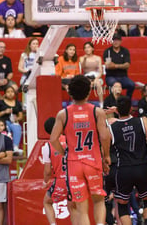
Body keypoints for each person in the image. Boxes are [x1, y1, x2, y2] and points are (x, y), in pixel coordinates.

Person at [50, 75, 111, 225]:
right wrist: (107, 156)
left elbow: (53, 139)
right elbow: (105, 136)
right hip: (93, 162)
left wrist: (64, 153)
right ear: (89, 91)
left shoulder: (63, 114)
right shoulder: (97, 112)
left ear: (70, 92)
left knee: (82, 209)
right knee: (98, 201)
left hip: (74, 164)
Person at [109, 96, 147, 225]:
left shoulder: (111, 127)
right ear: (131, 109)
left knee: (122, 204)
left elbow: (104, 151)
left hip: (123, 169)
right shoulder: (141, 122)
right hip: (142, 167)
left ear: (117, 110)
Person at [42, 117, 77, 225]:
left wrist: (45, 181)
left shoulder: (47, 146)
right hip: (76, 179)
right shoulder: (72, 139)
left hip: (61, 180)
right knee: (73, 206)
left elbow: (47, 171)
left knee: (47, 202)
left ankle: (53, 224)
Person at [0, 86, 24, 155]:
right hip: (3, 121)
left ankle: (15, 147)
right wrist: (4, 112)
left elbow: (20, 116)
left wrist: (16, 119)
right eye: (8, 92)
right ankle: (6, 147)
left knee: (17, 127)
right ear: (5, 93)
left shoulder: (17, 103)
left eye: (12, 92)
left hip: (13, 121)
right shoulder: (0, 102)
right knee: (5, 128)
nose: (10, 93)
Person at [103, 34, 135, 99]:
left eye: (117, 40)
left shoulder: (125, 51)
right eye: (114, 40)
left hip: (123, 77)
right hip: (110, 76)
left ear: (121, 41)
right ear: (111, 41)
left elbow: (127, 65)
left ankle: (127, 101)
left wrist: (115, 65)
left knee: (132, 85)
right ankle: (114, 103)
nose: (116, 42)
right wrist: (121, 65)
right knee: (115, 85)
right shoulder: (107, 51)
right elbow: (108, 66)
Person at [79, 42, 104, 108]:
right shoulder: (82, 58)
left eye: (89, 47)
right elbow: (82, 68)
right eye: (85, 48)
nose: (87, 49)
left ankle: (101, 104)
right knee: (89, 84)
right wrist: (84, 60)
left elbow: (100, 71)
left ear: (92, 48)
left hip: (96, 76)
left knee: (98, 83)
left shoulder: (98, 58)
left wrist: (96, 78)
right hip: (86, 76)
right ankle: (84, 103)